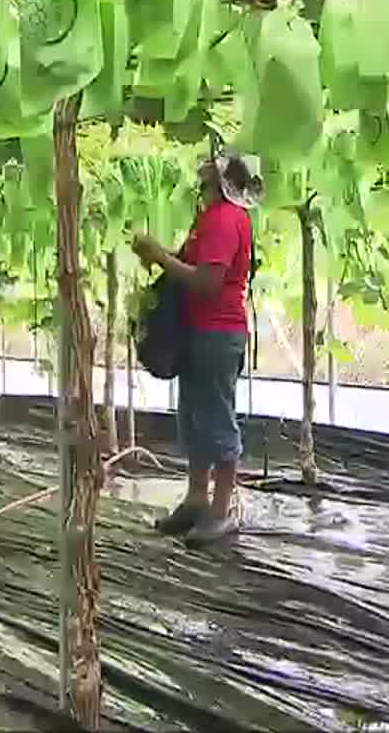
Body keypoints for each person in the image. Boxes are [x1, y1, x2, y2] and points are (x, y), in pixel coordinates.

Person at [130, 147, 262, 546]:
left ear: (222, 181)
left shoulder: (225, 220)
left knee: (217, 421)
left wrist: (159, 257)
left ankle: (221, 511)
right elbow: (194, 269)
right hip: (201, 331)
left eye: (208, 173)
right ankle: (195, 500)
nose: (201, 178)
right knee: (194, 419)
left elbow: (207, 282)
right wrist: (161, 256)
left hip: (217, 334)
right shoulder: (211, 219)